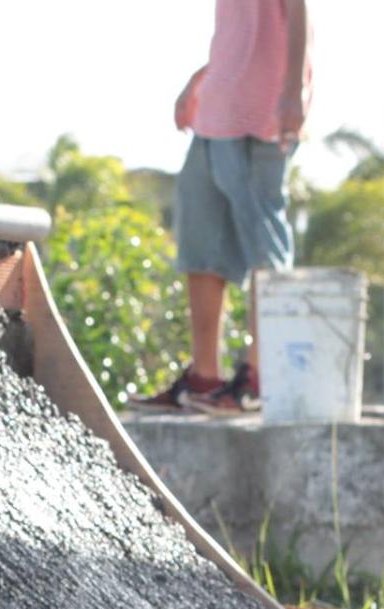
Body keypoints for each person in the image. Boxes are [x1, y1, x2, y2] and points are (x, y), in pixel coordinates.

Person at [134, 0, 311, 412]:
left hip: (264, 105)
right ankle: (203, 378)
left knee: (262, 238)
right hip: (219, 107)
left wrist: (292, 92)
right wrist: (200, 79)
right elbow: (242, 32)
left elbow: (298, 12)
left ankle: (258, 375)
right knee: (200, 236)